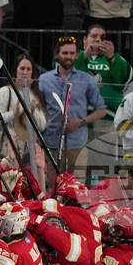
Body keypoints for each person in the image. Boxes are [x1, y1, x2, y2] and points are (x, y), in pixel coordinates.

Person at [38, 37, 107, 180]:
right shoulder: (44, 80)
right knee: (51, 185)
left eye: (71, 53)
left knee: (76, 187)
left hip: (77, 143)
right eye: (64, 53)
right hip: (52, 142)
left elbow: (101, 110)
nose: (68, 57)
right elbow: (38, 109)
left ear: (77, 55)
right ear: (57, 54)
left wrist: (80, 122)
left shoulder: (86, 80)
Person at [74, 24, 133, 124]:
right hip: (76, 116)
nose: (98, 40)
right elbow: (61, 72)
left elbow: (124, 82)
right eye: (94, 36)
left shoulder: (116, 59)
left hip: (108, 117)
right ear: (85, 39)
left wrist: (112, 57)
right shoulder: (72, 55)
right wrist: (85, 54)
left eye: (102, 37)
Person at [0, 53, 48, 142]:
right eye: (22, 68)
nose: (25, 72)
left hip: (30, 145)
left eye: (28, 69)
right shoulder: (5, 92)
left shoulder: (34, 94)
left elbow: (42, 126)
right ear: (16, 71)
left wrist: (33, 111)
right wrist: (13, 114)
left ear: (32, 73)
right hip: (9, 144)